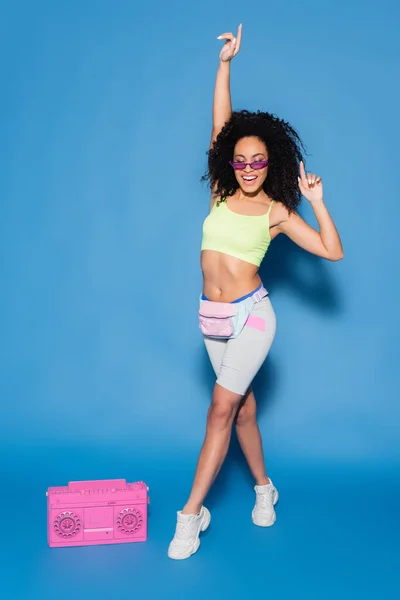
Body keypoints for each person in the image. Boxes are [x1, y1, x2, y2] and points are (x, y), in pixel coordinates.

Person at [168, 24, 344, 560]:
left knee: (220, 409)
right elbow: (220, 125)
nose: (247, 167)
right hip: (210, 318)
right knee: (243, 412)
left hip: (253, 319)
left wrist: (316, 201)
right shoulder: (221, 190)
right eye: (240, 160)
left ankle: (190, 516)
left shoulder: (276, 212)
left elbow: (330, 253)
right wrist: (225, 65)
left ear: (272, 164)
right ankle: (265, 488)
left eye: (258, 161)